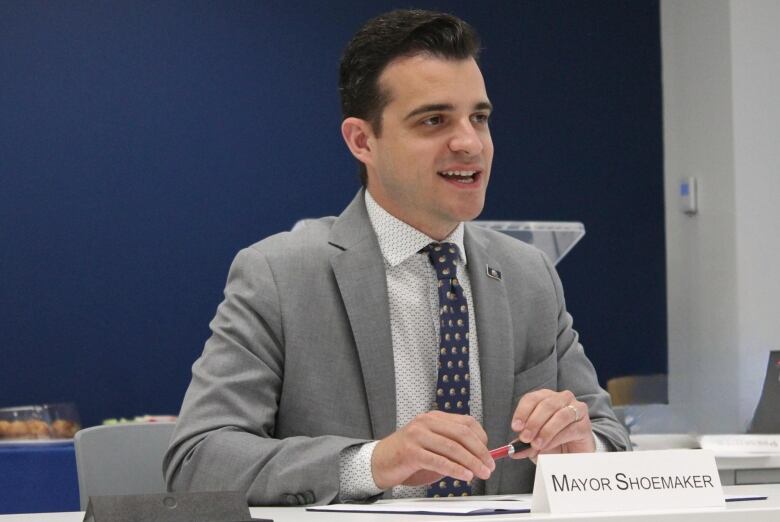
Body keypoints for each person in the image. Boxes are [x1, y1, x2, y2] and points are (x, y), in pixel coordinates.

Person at [163, 9, 629, 506]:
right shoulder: (279, 275)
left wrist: (584, 447)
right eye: (434, 120)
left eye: (479, 118)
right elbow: (197, 460)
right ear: (362, 140)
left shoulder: (527, 274)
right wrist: (373, 462)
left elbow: (611, 438)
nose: (469, 143)